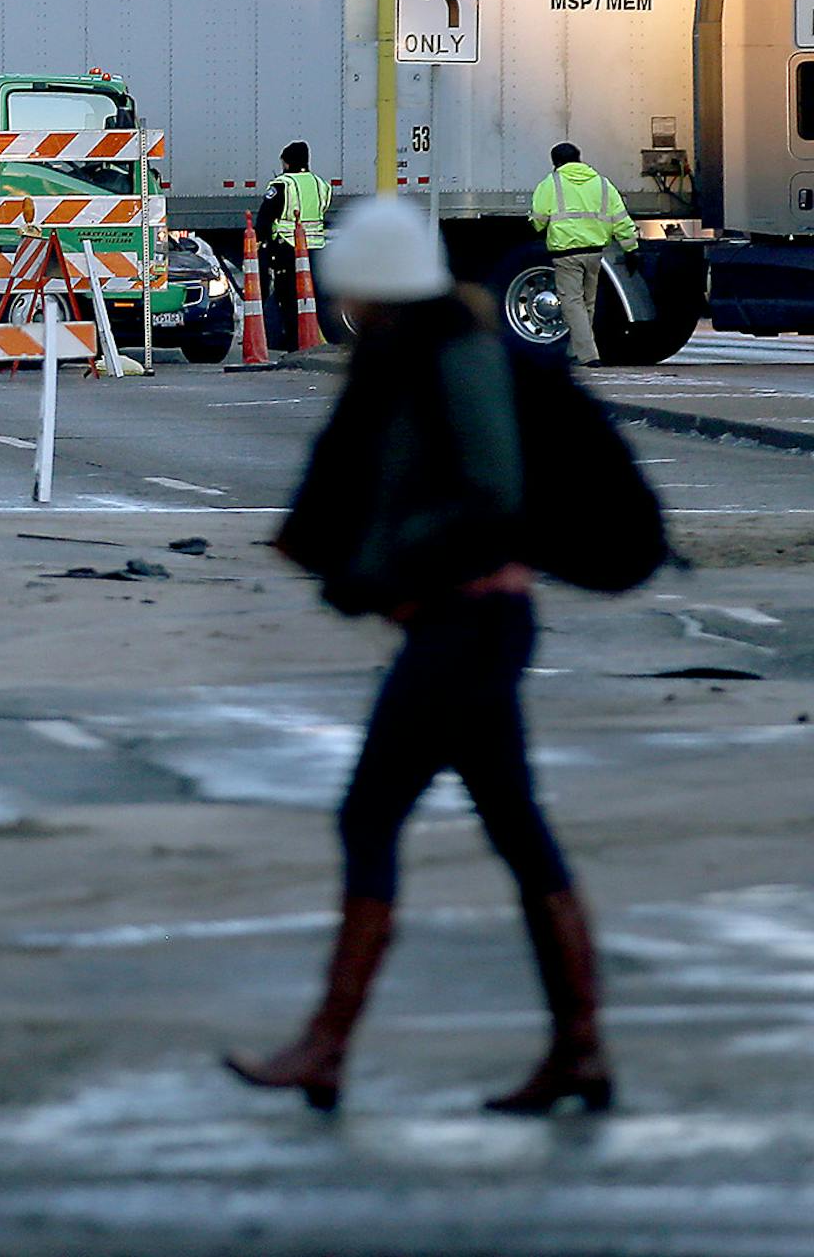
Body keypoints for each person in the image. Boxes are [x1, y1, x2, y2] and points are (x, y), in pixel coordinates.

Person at [224, 195, 612, 1117]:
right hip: (458, 623)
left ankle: (325, 1048)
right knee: (517, 830)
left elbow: (489, 492)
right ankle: (581, 1050)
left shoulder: (455, 355)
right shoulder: (405, 355)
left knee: (372, 814)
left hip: (468, 625)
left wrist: (381, 561)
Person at [529, 141, 636, 368]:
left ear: (555, 162)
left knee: (572, 304)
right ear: (579, 158)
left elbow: (538, 220)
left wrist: (537, 227)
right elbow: (621, 220)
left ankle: (588, 355)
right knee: (588, 304)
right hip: (595, 253)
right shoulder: (603, 184)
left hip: (567, 253)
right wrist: (630, 249)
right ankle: (574, 351)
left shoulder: (551, 184)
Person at [253, 141, 330, 351]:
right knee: (314, 296)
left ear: (286, 162)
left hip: (288, 248)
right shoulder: (320, 184)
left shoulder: (282, 184)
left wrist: (260, 242)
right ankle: (315, 339)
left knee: (288, 297)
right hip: (315, 247)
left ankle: (294, 344)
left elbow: (266, 217)